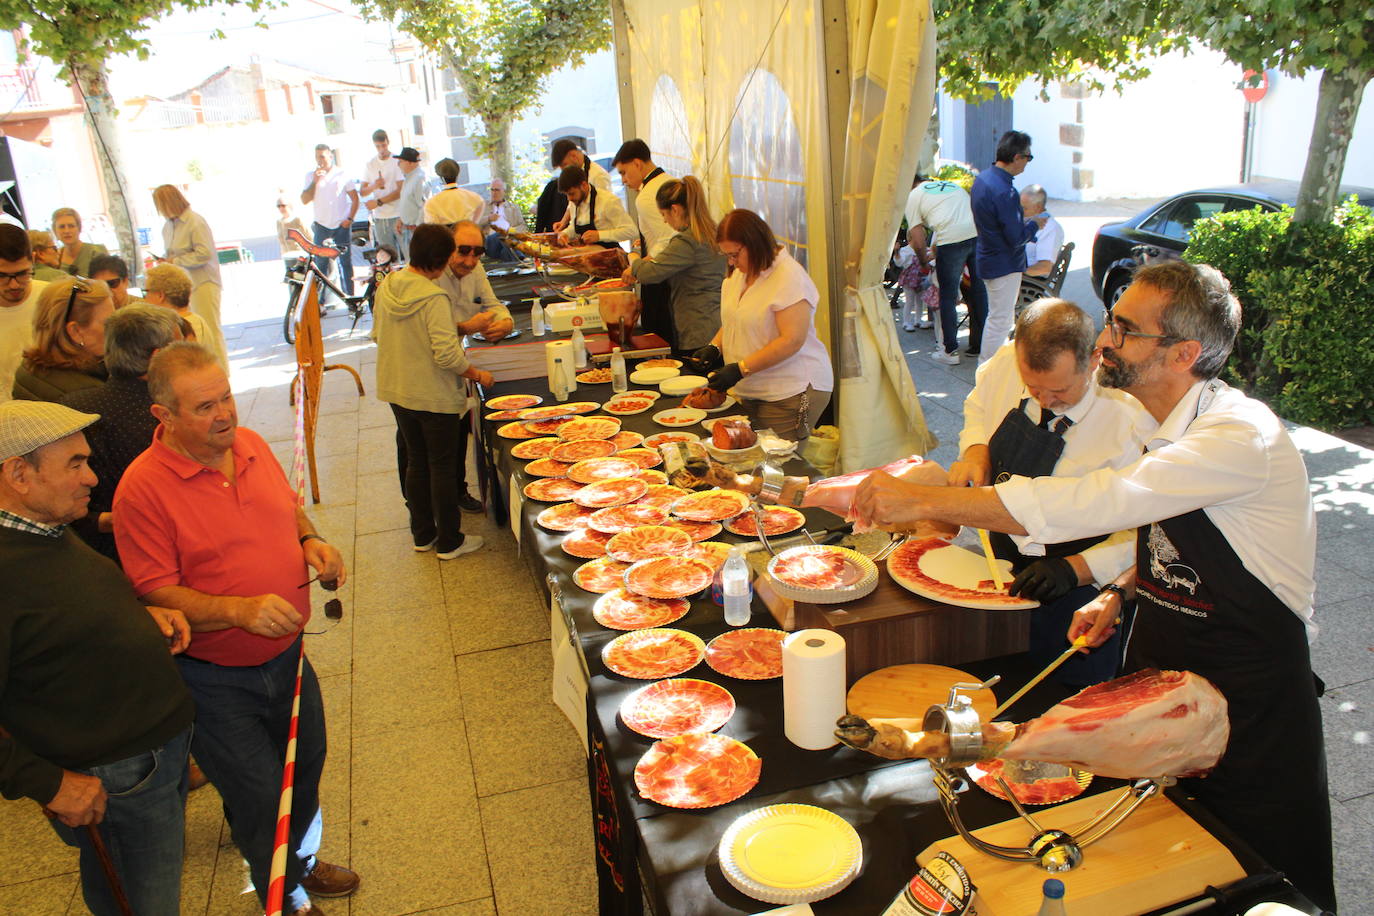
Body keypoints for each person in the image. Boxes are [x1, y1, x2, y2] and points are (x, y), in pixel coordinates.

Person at [850, 260, 1335, 911]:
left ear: (1184, 354)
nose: (1105, 341)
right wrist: (1124, 589)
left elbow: (1103, 501)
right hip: (1163, 668)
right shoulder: (1169, 424)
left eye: (1126, 330)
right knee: (1148, 860)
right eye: (1112, 322)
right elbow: (1181, 535)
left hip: (1246, 696)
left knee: (1249, 875)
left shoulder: (1240, 437)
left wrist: (919, 501)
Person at [113, 341, 359, 915]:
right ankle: (282, 894)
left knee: (305, 770)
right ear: (163, 415)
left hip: (289, 658)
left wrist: (310, 540)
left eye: (226, 397)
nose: (225, 414)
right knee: (259, 795)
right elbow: (154, 590)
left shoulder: (248, 444)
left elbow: (287, 507)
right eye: (205, 407)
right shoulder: (141, 490)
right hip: (214, 678)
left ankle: (297, 861)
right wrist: (238, 611)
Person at [0, 399, 195, 916]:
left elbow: (54, 617)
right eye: (75, 465)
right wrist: (47, 784)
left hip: (149, 753)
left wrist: (137, 618)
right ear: (18, 474)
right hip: (114, 773)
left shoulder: (43, 528)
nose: (92, 478)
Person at [951, 299, 1153, 684]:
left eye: (1059, 390)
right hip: (1000, 564)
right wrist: (976, 450)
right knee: (994, 681)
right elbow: (977, 406)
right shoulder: (1008, 359)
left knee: (1064, 698)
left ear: (1093, 360)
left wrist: (1077, 568)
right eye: (1033, 388)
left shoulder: (1133, 417)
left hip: (1081, 589)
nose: (1044, 401)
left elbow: (1146, 534)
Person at [374, 225, 493, 557]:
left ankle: (422, 534)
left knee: (416, 461)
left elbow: (378, 334)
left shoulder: (389, 284)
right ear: (442, 259)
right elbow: (447, 355)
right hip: (431, 393)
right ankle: (450, 541)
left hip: (397, 388)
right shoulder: (433, 297)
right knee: (441, 466)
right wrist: (478, 374)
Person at [693, 209, 833, 442]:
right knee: (751, 456)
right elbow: (736, 319)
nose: (731, 262)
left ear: (755, 244)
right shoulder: (740, 273)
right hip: (753, 389)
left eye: (734, 254)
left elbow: (792, 340)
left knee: (778, 459)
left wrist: (740, 369)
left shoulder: (789, 277)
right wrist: (715, 346)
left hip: (790, 391)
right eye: (726, 255)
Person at [61, 305, 180, 562]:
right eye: (181, 350)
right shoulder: (171, 417)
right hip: (162, 550)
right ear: (158, 357)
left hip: (88, 550)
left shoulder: (72, 408)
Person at [623, 176, 725, 354]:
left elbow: (650, 272)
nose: (664, 221)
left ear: (675, 210)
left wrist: (633, 258)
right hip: (717, 322)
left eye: (664, 214)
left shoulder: (687, 241)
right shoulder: (712, 230)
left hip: (698, 327)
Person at [971, 131, 1047, 364]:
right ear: (1017, 157)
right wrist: (1034, 224)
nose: (1027, 163)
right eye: (1028, 157)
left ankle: (989, 367)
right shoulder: (1005, 191)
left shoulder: (984, 178)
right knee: (1001, 321)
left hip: (989, 256)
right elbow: (1016, 238)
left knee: (997, 318)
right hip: (1003, 263)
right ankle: (988, 370)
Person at [904, 176, 987, 364]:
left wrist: (923, 262)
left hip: (951, 240)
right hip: (976, 234)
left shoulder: (913, 196)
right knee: (979, 292)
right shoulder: (950, 185)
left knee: (947, 296)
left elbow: (918, 240)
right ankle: (987, 348)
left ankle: (949, 351)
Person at [152, 185, 227, 364]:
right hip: (184, 284)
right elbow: (173, 253)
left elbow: (204, 254)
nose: (159, 210)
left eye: (160, 205)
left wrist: (176, 261)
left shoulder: (195, 222)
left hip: (203, 282)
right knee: (192, 330)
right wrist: (167, 260)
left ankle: (220, 370)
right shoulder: (168, 226)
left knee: (210, 329)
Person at [612, 139, 676, 346]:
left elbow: (668, 239)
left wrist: (639, 265)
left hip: (661, 275)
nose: (623, 180)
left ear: (637, 163)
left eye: (623, 172)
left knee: (659, 337)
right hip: (671, 271)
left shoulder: (648, 195)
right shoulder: (669, 182)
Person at [12, 277, 112, 402]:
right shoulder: (90, 395)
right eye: (109, 323)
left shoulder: (28, 368)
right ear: (75, 331)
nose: (116, 329)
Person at [301, 143, 361, 297]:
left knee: (345, 263)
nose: (319, 160)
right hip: (321, 226)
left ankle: (349, 297)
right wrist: (315, 181)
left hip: (341, 225)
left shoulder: (342, 174)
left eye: (322, 156)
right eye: (317, 157)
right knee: (320, 264)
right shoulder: (310, 176)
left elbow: (355, 198)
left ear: (330, 156)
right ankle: (321, 300)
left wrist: (350, 219)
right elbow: (304, 199)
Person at [0, 224, 49, 404]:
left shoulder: (51, 299)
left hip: (52, 410)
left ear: (33, 260)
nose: (14, 285)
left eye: (22, 274)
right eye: (2, 276)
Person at [143, 263, 219, 362]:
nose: (145, 298)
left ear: (160, 296)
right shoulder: (199, 321)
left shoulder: (170, 330)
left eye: (146, 292)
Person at [556, 166, 636, 249]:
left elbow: (631, 231)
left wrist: (600, 235)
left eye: (572, 194)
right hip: (587, 251)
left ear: (583, 185)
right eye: (566, 195)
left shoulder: (608, 201)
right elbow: (574, 227)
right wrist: (565, 234)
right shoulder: (574, 202)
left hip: (608, 252)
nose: (569, 198)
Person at [360, 128, 404, 254]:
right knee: (386, 256)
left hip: (398, 214)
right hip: (380, 217)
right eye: (378, 146)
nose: (381, 149)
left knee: (408, 254)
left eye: (383, 145)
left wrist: (378, 202)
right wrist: (374, 186)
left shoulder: (397, 161)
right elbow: (362, 191)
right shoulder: (371, 164)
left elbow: (400, 190)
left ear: (388, 142)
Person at [423, 158, 485, 228]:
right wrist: (473, 224)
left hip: (445, 234)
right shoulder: (473, 197)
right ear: (457, 174)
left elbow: (432, 227)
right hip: (468, 232)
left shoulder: (431, 203)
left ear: (440, 177)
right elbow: (481, 204)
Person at [1020, 184, 1064, 278]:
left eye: (1024, 208)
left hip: (1030, 279)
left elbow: (1044, 267)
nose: (1019, 211)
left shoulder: (1050, 228)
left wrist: (1015, 273)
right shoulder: (1027, 220)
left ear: (1038, 207)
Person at [51, 207, 109, 277]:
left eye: (71, 226)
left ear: (79, 228)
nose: (67, 231)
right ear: (55, 231)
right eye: (62, 227)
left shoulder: (97, 252)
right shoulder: (55, 257)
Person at [479, 177, 527, 261]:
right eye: (492, 190)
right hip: (490, 243)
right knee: (500, 234)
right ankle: (521, 258)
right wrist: (488, 218)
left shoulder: (513, 208)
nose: (494, 193)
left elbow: (523, 227)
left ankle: (514, 264)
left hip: (509, 240)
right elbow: (475, 223)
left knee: (505, 251)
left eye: (497, 190)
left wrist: (510, 231)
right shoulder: (483, 206)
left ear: (504, 191)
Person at [395, 146, 430, 258]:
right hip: (408, 228)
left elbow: (424, 205)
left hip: (416, 230)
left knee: (418, 261)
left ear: (410, 162)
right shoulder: (409, 178)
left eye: (401, 161)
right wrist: (401, 218)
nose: (398, 164)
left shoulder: (419, 178)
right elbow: (407, 202)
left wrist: (418, 227)